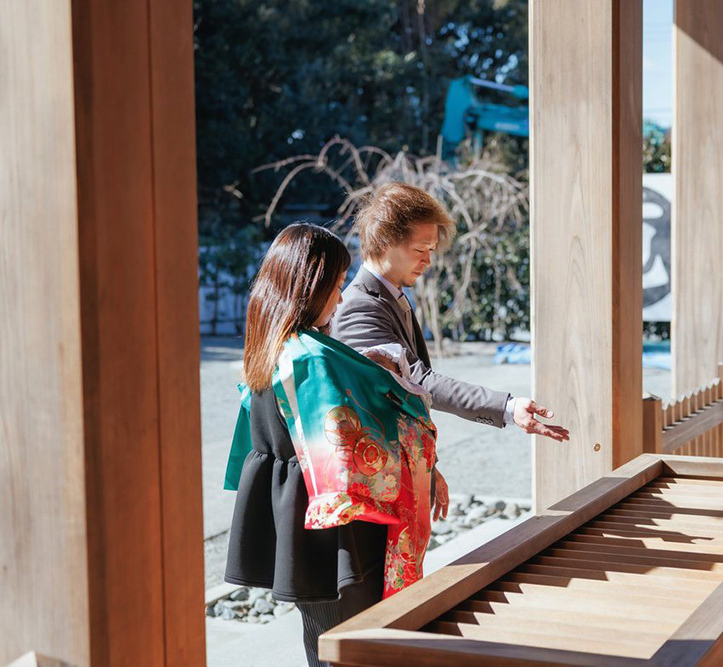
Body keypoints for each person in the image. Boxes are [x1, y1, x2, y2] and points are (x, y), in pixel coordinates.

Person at [224, 223, 441, 667]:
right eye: (337, 285)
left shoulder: (270, 346)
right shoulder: (312, 357)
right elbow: (358, 451)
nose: (340, 299)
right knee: (355, 643)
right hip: (343, 528)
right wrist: (397, 388)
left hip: (296, 519)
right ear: (310, 286)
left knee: (322, 641)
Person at [330, 183, 570, 517]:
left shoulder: (388, 296)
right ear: (385, 242)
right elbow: (416, 382)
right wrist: (508, 407)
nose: (429, 260)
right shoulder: (360, 307)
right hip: (375, 485)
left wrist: (429, 466)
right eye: (420, 249)